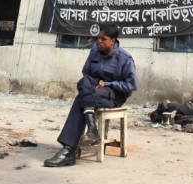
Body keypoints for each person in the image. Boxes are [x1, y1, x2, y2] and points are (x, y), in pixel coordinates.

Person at [44, 24, 138, 167]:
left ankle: (69, 150)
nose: (99, 41)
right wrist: (94, 84)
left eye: (103, 39)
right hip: (94, 89)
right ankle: (91, 129)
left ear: (113, 41)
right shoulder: (94, 52)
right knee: (84, 83)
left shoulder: (124, 58)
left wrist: (107, 84)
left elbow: (132, 85)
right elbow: (86, 73)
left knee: (81, 99)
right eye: (98, 38)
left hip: (114, 94)